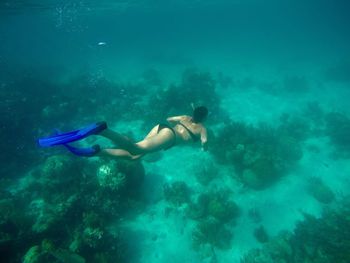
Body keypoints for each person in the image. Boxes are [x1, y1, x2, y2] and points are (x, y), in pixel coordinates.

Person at [38, 106, 208, 161]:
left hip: (161, 127)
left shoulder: (186, 116)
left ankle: (98, 151)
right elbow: (204, 143)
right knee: (136, 149)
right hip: (170, 137)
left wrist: (184, 120)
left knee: (134, 156)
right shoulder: (202, 129)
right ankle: (104, 130)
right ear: (204, 118)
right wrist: (203, 147)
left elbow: (170, 119)